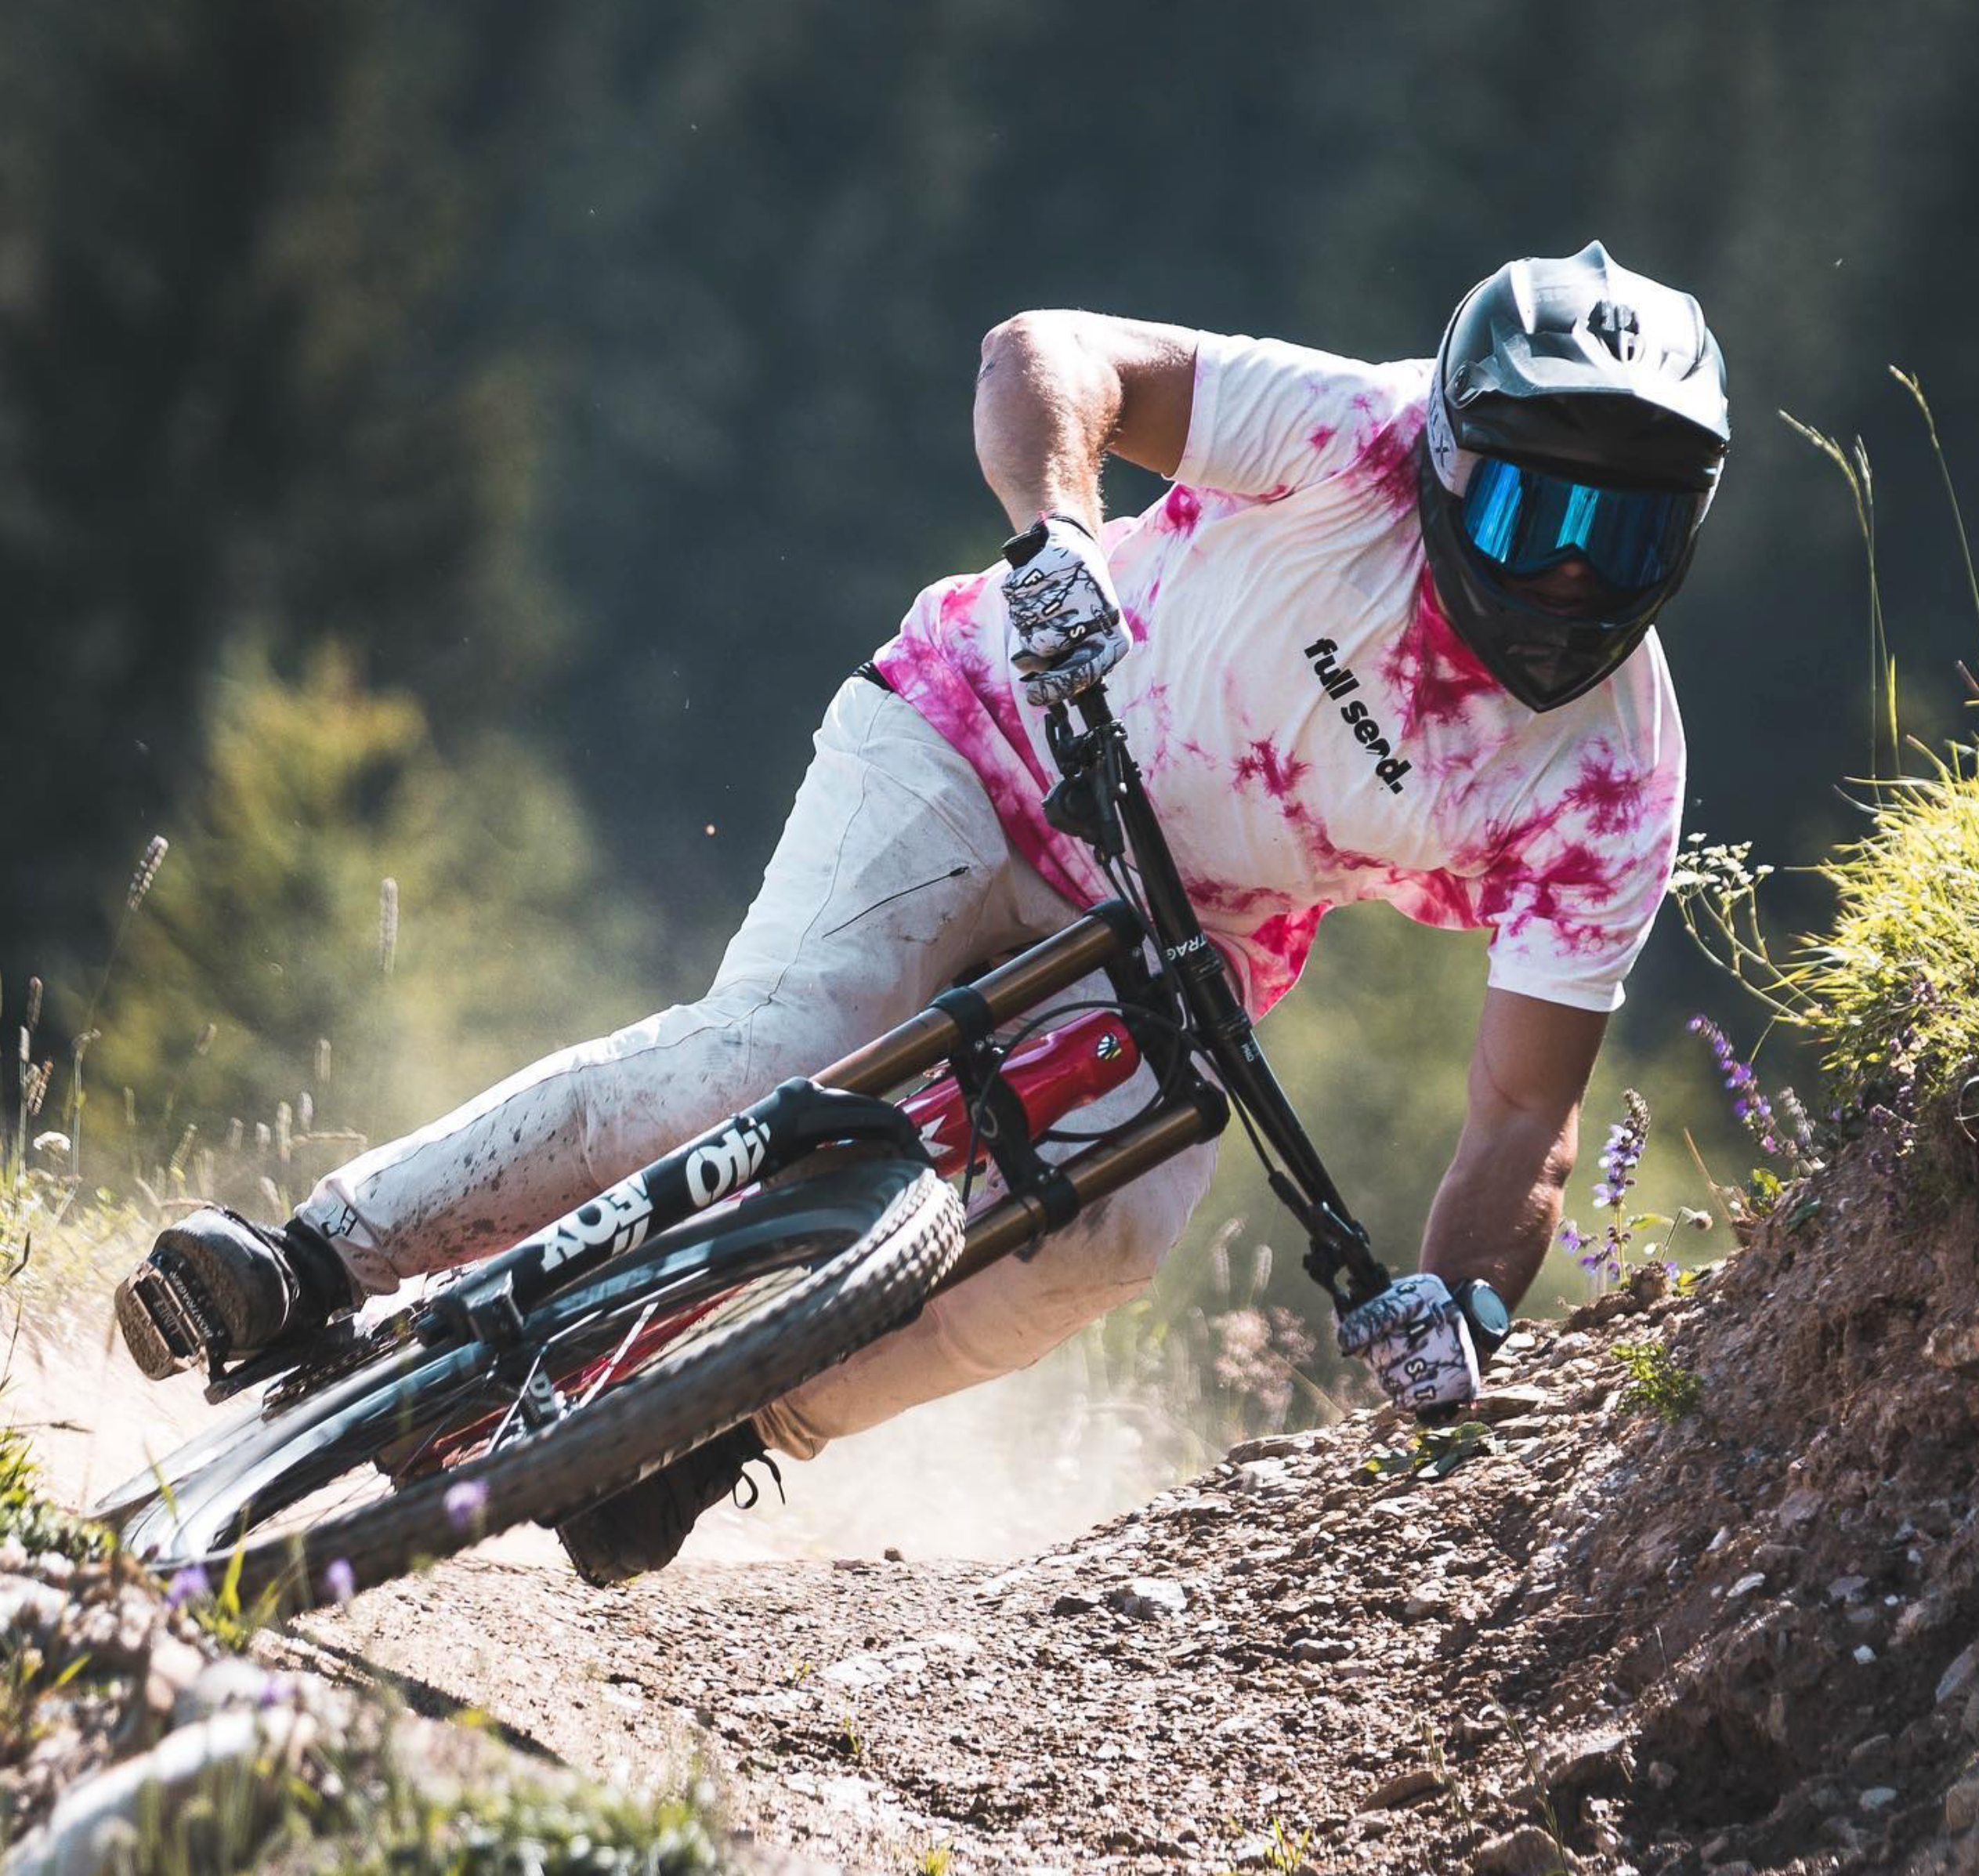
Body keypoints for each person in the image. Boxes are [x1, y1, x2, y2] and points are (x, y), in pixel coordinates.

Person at [115, 241, 1729, 1583]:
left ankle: (722, 1433)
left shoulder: (1613, 782)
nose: (1576, 582)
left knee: (1106, 1242)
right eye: (1541, 521)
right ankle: (313, 1260)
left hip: (1194, 929)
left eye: (1631, 533)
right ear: (1447, 465)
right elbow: (1051, 355)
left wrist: (1458, 1311)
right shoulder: (1355, 437)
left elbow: (1522, 1117)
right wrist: (1063, 543)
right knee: (768, 1058)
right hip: (983, 729)